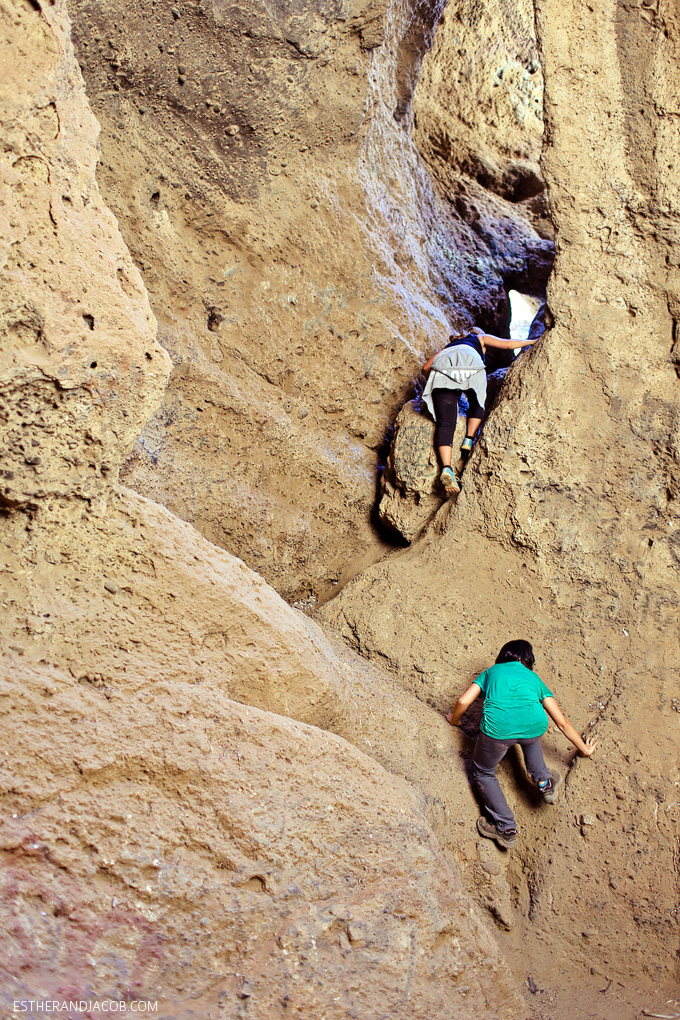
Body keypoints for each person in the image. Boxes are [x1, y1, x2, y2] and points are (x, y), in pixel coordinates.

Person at [445, 639, 598, 849]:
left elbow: (463, 701)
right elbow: (561, 722)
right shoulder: (534, 678)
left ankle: (506, 828)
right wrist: (584, 748)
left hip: (498, 732)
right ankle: (545, 784)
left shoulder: (492, 672)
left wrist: (454, 719)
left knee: (483, 773)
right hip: (534, 726)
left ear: (503, 655)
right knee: (529, 734)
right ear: (527, 660)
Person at [422, 326, 538, 495]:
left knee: (446, 424)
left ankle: (447, 468)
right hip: (471, 364)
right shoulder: (480, 338)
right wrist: (533, 341)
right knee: (478, 400)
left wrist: (440, 383)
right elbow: (507, 344)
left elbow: (425, 368)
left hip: (443, 369)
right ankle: (469, 439)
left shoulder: (447, 348)